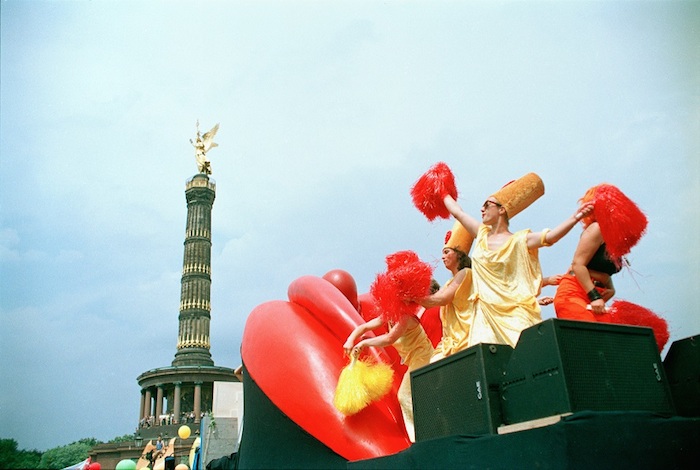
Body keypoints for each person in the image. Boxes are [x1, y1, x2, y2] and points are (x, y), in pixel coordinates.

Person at [442, 172, 594, 348]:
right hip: (485, 317)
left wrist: (575, 217)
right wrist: (441, 189)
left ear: (501, 209)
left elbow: (550, 237)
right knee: (487, 363)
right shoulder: (481, 234)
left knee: (527, 358)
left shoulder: (520, 240)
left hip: (515, 314)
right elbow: (457, 212)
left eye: (487, 205)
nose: (482, 209)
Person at [553, 184, 646, 321]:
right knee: (592, 337)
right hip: (574, 294)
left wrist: (611, 288)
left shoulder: (613, 238)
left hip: (593, 297)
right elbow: (577, 265)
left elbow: (603, 272)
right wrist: (595, 296)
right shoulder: (596, 229)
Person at [343, 310, 434, 443]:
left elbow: (389, 338)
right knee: (418, 396)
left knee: (404, 395)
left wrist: (364, 343)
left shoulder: (405, 318)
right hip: (415, 360)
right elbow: (364, 327)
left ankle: (420, 438)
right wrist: (350, 340)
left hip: (424, 358)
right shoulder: (388, 315)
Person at [416, 220, 474, 362]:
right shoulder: (449, 283)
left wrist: (413, 297)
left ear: (459, 255)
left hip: (466, 337)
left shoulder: (466, 273)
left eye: (446, 252)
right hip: (451, 342)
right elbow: (430, 303)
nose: (442, 257)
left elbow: (441, 299)